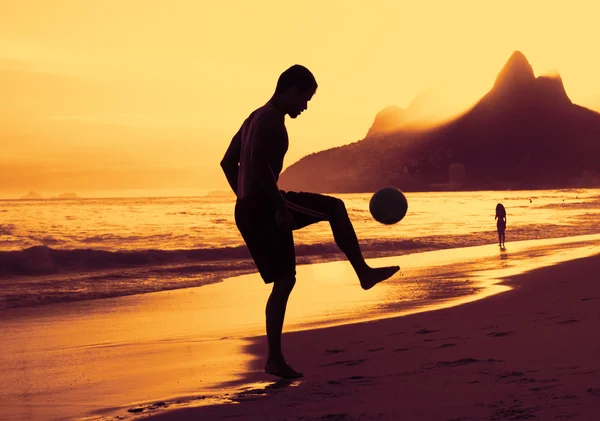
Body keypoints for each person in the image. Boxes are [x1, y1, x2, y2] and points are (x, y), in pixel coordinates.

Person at [220, 65, 400, 379]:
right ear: (291, 89)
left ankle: (275, 359)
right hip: (265, 204)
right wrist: (276, 206)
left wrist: (244, 197)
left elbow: (227, 162)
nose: (305, 106)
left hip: (247, 209)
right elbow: (261, 166)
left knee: (285, 280)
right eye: (305, 98)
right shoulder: (272, 121)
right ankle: (363, 272)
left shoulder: (253, 118)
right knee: (335, 208)